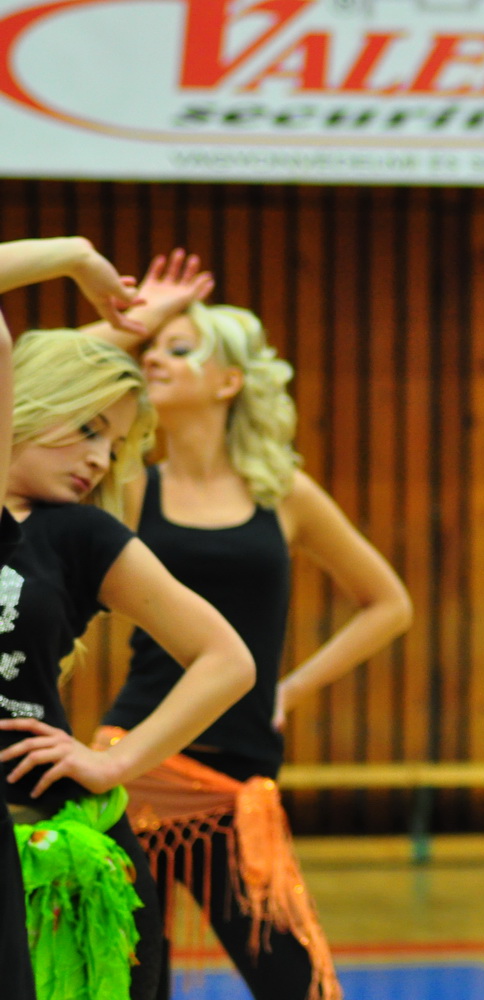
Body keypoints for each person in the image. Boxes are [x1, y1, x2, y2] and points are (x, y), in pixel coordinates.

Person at [81, 265, 412, 1000]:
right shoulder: (130, 488)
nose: (155, 359)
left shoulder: (282, 494)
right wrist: (136, 322)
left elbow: (388, 603)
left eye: (179, 349)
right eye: (151, 350)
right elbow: (48, 389)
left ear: (229, 381)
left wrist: (287, 688)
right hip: (136, 764)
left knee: (301, 986)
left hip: (238, 779)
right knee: (132, 985)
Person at [0, 309, 255, 997]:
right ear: (28, 398)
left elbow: (227, 659)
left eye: (113, 446)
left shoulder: (82, 535)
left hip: (59, 851)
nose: (100, 459)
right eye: (89, 429)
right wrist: (77, 265)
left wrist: (114, 762)